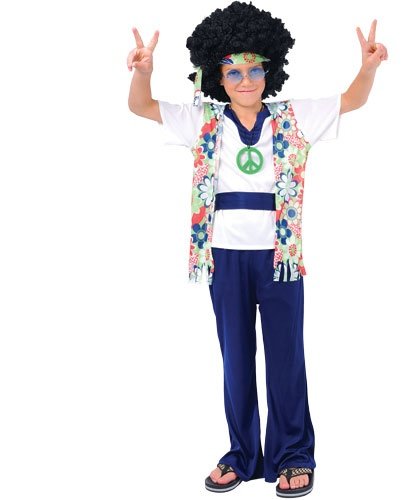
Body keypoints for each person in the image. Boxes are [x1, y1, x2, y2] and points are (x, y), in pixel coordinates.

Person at [127, 1, 388, 497]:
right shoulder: (202, 120)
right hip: (223, 257)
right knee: (236, 359)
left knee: (286, 358)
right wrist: (144, 72)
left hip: (280, 258)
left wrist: (368, 67)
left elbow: (352, 99)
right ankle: (242, 454)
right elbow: (141, 107)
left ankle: (292, 454)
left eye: (254, 69)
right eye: (233, 71)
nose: (245, 80)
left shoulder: (294, 117)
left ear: (270, 70)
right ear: (217, 77)